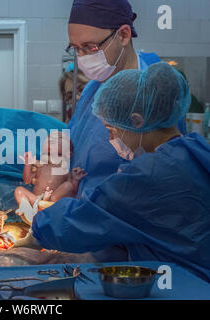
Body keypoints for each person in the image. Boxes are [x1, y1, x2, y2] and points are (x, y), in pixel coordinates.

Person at [30, 62, 210, 282]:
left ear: (136, 121)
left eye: (110, 130)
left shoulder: (147, 175)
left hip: (187, 284)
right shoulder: (197, 148)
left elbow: (78, 223)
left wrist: (37, 224)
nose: (110, 139)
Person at [66, 0, 187, 196]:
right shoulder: (94, 86)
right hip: (79, 206)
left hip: (116, 215)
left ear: (123, 34)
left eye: (90, 47)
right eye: (75, 48)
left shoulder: (155, 96)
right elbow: (74, 135)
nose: (82, 57)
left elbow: (166, 179)